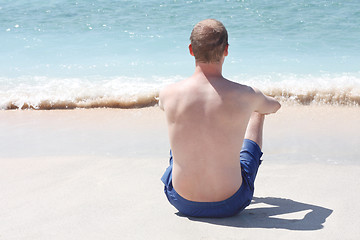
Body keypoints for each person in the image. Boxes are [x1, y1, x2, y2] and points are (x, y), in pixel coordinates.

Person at [159, 19, 281, 218]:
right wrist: (255, 102)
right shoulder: (245, 94)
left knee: (182, 130)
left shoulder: (168, 93)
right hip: (231, 202)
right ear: (226, 50)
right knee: (259, 111)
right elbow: (274, 107)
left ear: (191, 50)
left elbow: (164, 107)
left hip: (181, 200)